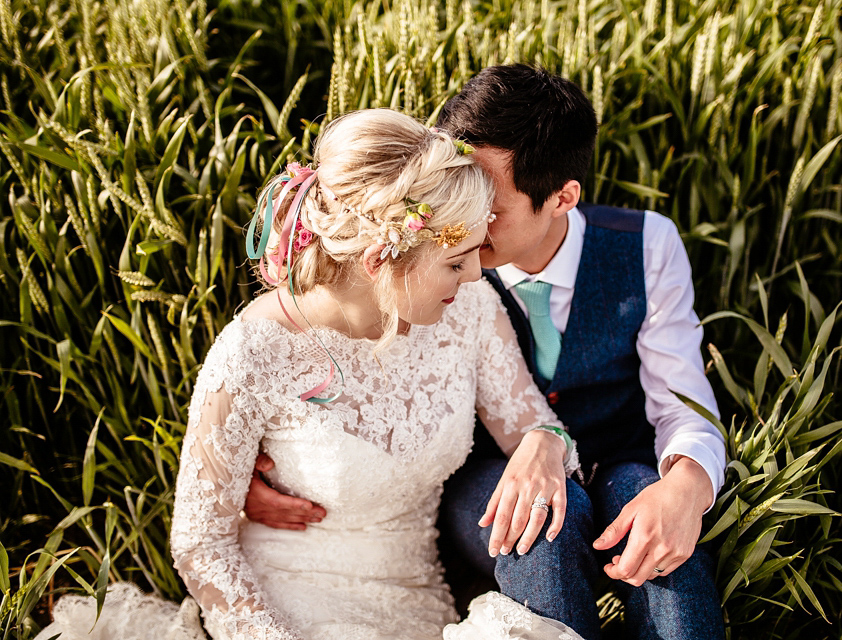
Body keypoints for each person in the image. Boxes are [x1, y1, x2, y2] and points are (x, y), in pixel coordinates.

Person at [36, 108, 586, 640]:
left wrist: (544, 440)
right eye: (454, 260)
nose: (475, 274)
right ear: (380, 261)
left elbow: (542, 430)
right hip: (287, 606)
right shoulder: (253, 353)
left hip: (418, 602)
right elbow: (201, 543)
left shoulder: (470, 312)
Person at [245, 66, 728, 639]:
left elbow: (681, 399)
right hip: (484, 473)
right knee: (536, 526)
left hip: (620, 457)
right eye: (455, 189)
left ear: (562, 197)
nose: (465, 220)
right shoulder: (429, 257)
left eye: (488, 204)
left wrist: (687, 485)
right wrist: (268, 454)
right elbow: (333, 340)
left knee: (658, 527)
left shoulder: (647, 243)